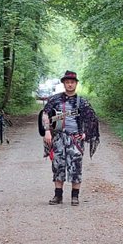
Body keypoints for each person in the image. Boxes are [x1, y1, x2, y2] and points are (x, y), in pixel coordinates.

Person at [41, 70, 99, 206]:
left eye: (72, 82)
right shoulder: (54, 99)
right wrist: (47, 131)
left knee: (76, 166)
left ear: (76, 84)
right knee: (58, 166)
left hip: (75, 139)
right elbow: (45, 114)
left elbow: (92, 119)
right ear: (64, 84)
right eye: (67, 82)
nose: (70, 85)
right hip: (58, 138)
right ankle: (58, 195)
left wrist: (86, 134)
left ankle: (75, 196)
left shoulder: (82, 102)